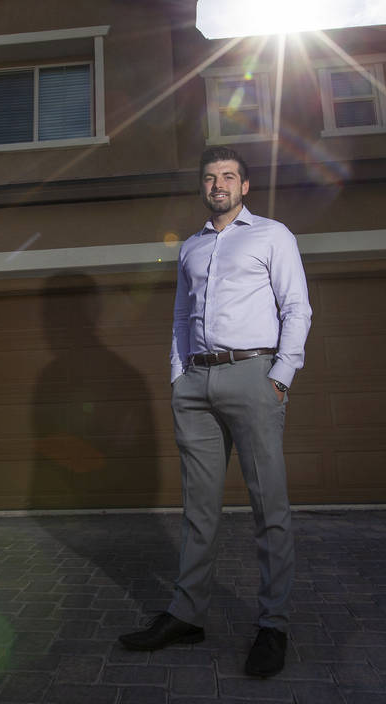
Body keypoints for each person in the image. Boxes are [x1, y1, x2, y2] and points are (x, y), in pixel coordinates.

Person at [118, 145, 312, 678]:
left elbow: (296, 306)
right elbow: (181, 314)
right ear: (202, 187)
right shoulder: (192, 248)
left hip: (254, 376)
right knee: (197, 508)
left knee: (267, 506)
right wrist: (179, 375)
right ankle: (186, 614)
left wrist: (279, 377)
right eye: (210, 177)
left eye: (228, 176)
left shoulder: (272, 235)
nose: (218, 184)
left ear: (244, 186)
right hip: (196, 383)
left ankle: (273, 624)